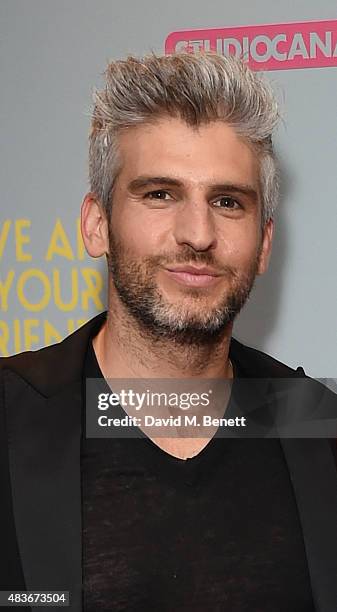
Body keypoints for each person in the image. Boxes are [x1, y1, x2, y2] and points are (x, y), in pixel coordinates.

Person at [0, 52, 336, 612]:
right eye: (160, 194)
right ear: (96, 224)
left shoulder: (319, 429)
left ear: (265, 245)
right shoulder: (10, 416)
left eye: (228, 202)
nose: (198, 234)